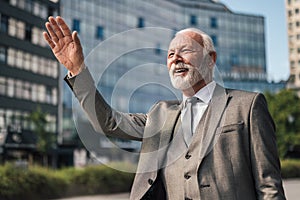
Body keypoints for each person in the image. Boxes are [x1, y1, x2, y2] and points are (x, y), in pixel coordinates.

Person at [43, 16, 286, 200]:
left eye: (186, 51)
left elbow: (269, 185)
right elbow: (108, 122)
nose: (175, 58)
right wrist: (77, 69)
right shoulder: (160, 114)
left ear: (211, 59)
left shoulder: (248, 105)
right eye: (170, 54)